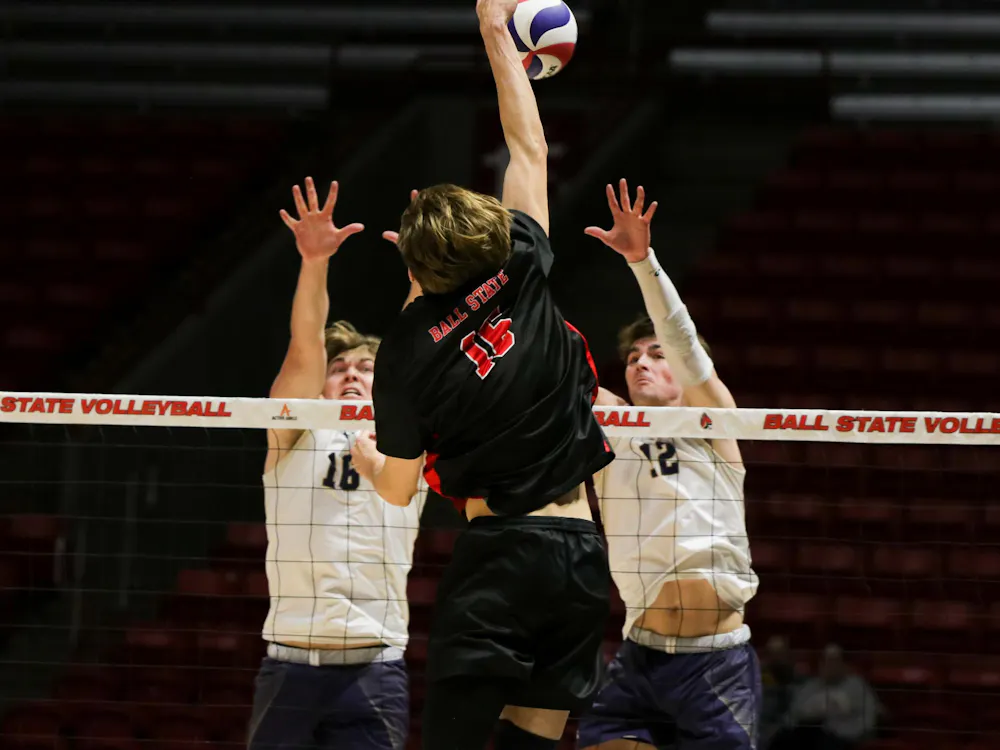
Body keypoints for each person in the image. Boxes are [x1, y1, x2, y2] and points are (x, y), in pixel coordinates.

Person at [348, 0, 615, 747]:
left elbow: (401, 489)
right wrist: (495, 31)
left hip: (500, 560)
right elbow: (527, 150)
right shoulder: (523, 263)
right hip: (581, 556)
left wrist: (370, 460)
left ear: (416, 266)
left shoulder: (403, 352)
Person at [576, 180, 761, 750]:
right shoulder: (607, 424)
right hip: (640, 655)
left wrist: (642, 260)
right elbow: (539, 351)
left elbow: (684, 342)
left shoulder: (713, 426)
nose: (641, 362)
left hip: (716, 663)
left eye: (657, 355)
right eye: (632, 356)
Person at [249, 178, 425, 750]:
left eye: (366, 367)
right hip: (291, 660)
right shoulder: (295, 434)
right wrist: (314, 261)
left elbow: (420, 346)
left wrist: (423, 269)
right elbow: (304, 348)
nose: (351, 373)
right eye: (340, 366)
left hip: (375, 662)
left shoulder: (406, 435)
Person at [769, 645, 879, 750]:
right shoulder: (811, 686)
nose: (828, 665)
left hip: (843, 737)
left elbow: (868, 719)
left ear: (843, 664)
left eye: (833, 661)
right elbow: (793, 715)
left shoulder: (857, 686)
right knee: (782, 739)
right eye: (824, 661)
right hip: (808, 734)